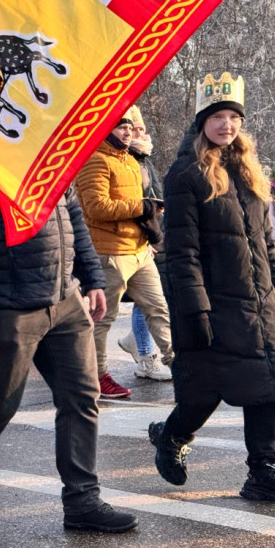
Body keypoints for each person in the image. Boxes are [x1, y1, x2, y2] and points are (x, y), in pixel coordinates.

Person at [0, 145, 138, 534]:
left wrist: (92, 278)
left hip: (64, 298)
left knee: (81, 397)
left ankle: (82, 500)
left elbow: (72, 215)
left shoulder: (49, 138)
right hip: (7, 304)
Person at [149, 73, 275, 504]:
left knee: (271, 384)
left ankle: (263, 468)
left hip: (261, 301)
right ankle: (172, 435)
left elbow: (264, 242)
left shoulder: (248, 171)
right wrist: (196, 310)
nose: (227, 125)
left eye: (233, 117)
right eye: (218, 117)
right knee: (203, 391)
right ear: (202, 121)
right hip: (217, 302)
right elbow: (181, 252)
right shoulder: (185, 175)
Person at [75, 109, 172, 398]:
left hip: (140, 250)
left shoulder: (130, 160)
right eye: (120, 127)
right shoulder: (94, 160)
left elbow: (132, 200)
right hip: (110, 252)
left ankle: (178, 363)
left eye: (130, 127)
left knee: (159, 309)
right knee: (103, 318)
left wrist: (149, 207)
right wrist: (143, 207)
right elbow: (96, 207)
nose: (128, 133)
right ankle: (97, 376)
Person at [116, 107, 173, 382]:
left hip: (152, 238)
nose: (139, 133)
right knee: (142, 304)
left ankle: (137, 342)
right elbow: (137, 204)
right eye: (133, 128)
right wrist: (150, 237)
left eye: (140, 128)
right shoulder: (127, 160)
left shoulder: (144, 158)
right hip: (134, 243)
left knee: (155, 303)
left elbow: (156, 199)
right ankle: (146, 357)